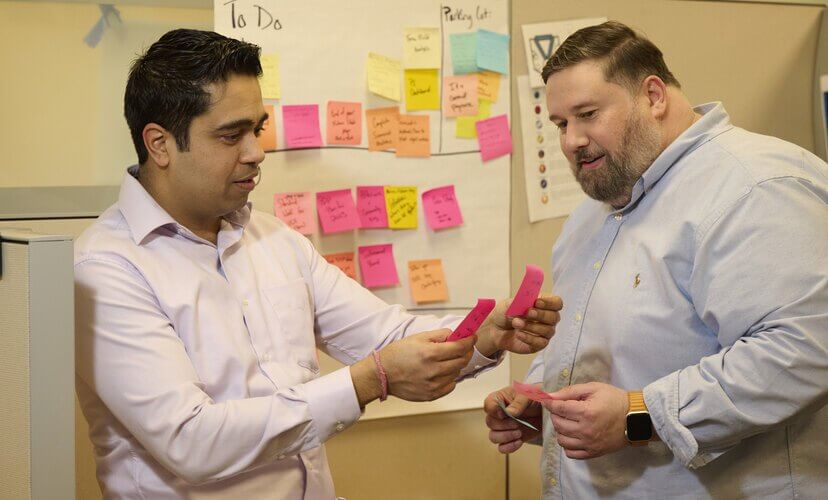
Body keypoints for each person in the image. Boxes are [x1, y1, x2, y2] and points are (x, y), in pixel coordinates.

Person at [74, 29, 563, 499]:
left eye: (258, 128)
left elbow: (386, 337)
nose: (256, 152)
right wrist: (368, 380)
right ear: (159, 144)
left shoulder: (274, 239)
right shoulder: (105, 268)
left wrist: (483, 335)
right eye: (231, 136)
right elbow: (191, 440)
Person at [484, 21, 828, 498]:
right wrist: (543, 399)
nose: (570, 141)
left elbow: (805, 353)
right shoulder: (593, 214)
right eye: (562, 124)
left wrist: (638, 418)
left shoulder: (754, 186)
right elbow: (602, 336)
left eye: (587, 114)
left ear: (653, 96)